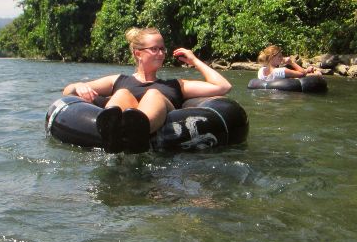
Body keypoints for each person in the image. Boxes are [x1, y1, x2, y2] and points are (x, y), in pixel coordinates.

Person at [62, 27, 232, 153]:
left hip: (161, 123)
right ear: (138, 54)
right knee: (122, 94)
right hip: (120, 122)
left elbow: (223, 87)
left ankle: (138, 132)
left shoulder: (176, 85)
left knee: (153, 94)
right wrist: (78, 86)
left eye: (162, 48)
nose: (160, 53)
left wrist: (194, 60)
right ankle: (112, 133)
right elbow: (67, 92)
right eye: (154, 49)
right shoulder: (118, 80)